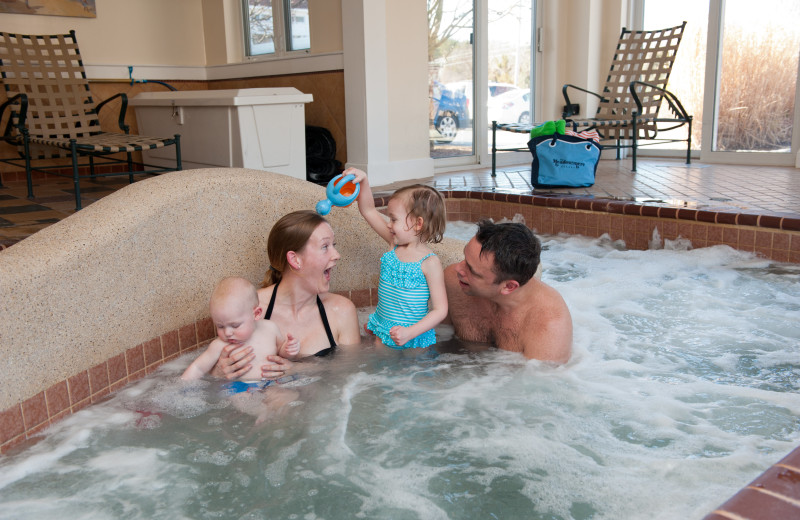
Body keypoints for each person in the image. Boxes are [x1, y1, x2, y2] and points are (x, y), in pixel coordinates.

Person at [214, 210, 361, 380]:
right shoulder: (249, 308)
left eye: (334, 246)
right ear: (295, 259)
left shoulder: (341, 311)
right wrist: (218, 373)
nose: (336, 255)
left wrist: (299, 369)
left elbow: (352, 370)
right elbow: (216, 363)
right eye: (325, 247)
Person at [443, 219, 572, 363]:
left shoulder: (548, 328)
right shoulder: (454, 282)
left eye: (472, 270)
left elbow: (538, 382)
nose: (458, 269)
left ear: (508, 286)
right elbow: (440, 339)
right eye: (465, 259)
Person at [349, 167, 448, 349]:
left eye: (394, 219)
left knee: (410, 374)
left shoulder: (429, 263)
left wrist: (410, 332)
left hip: (413, 337)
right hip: (383, 329)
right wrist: (364, 181)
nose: (388, 224)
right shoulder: (393, 244)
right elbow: (368, 210)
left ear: (418, 224)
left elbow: (440, 310)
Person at [181, 276, 300, 383]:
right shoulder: (219, 345)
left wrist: (288, 349)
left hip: (273, 383)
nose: (227, 333)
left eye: (235, 325)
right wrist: (181, 386)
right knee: (244, 400)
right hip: (241, 389)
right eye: (220, 326)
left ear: (256, 314)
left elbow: (280, 352)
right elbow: (198, 367)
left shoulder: (270, 328)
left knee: (286, 399)